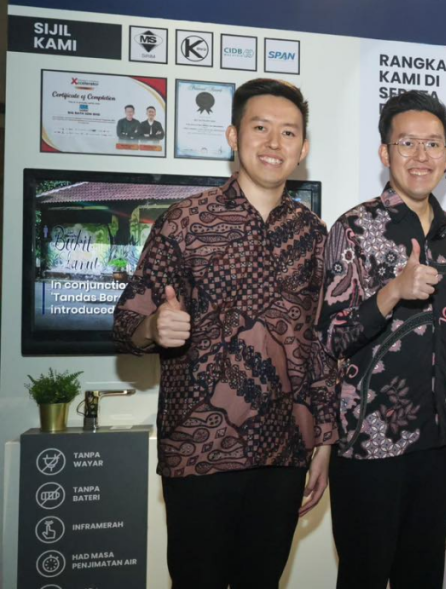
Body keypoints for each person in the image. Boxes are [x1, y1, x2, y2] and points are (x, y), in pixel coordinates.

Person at [113, 78, 337, 588]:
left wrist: (324, 440)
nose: (274, 143)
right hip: (198, 454)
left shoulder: (313, 234)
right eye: (261, 128)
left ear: (302, 149)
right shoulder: (184, 221)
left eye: (288, 132)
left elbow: (321, 346)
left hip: (283, 453)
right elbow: (126, 324)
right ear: (234, 136)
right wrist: (154, 327)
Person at [317, 90, 446, 589]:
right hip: (368, 442)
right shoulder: (353, 228)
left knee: (423, 576)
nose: (421, 155)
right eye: (407, 143)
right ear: (385, 153)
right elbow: (331, 337)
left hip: (438, 440)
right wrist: (391, 293)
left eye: (433, 144)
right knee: (364, 575)